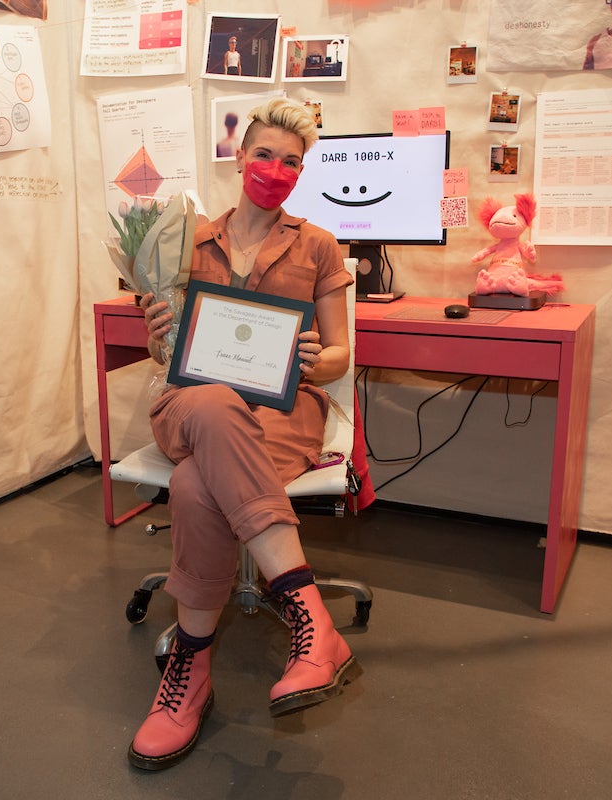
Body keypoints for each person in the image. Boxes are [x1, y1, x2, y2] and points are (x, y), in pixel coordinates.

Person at [129, 98, 359, 771]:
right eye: (264, 155)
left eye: (292, 162)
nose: (275, 170)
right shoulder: (186, 241)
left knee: (198, 485)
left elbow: (343, 352)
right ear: (239, 156)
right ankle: (309, 616)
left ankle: (188, 674)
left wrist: (322, 357)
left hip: (283, 412)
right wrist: (156, 334)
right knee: (213, 406)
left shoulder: (317, 245)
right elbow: (162, 356)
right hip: (191, 405)